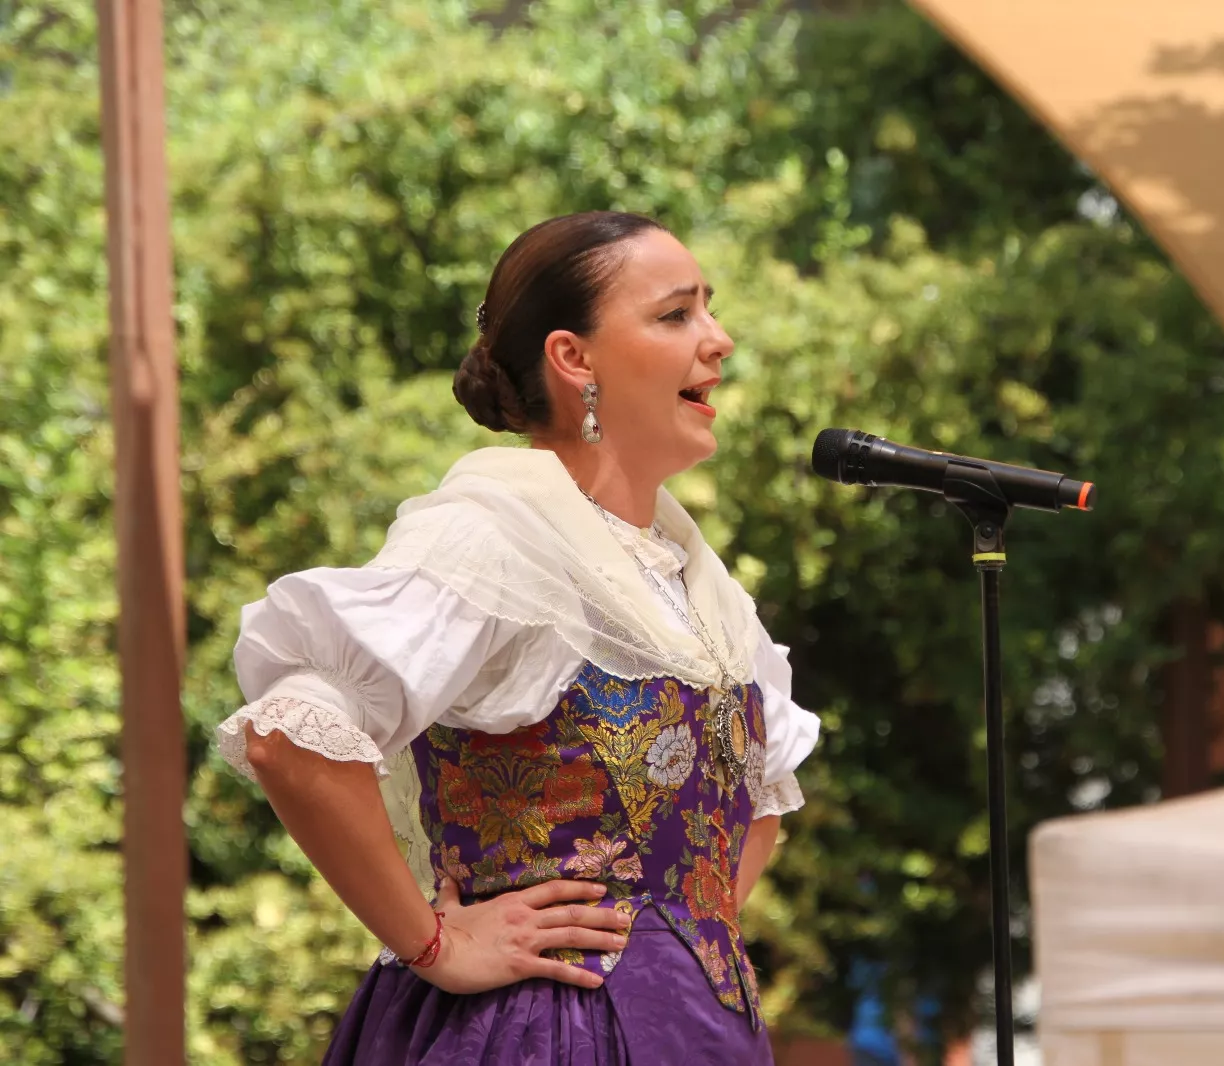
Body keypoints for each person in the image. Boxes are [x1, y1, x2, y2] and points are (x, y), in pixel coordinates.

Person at [215, 211, 821, 1064]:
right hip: (541, 1033)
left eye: (709, 311)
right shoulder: (497, 537)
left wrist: (670, 958)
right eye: (676, 314)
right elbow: (291, 737)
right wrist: (438, 943)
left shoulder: (699, 587)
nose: (718, 341)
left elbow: (760, 803)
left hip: (703, 1035)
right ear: (575, 360)